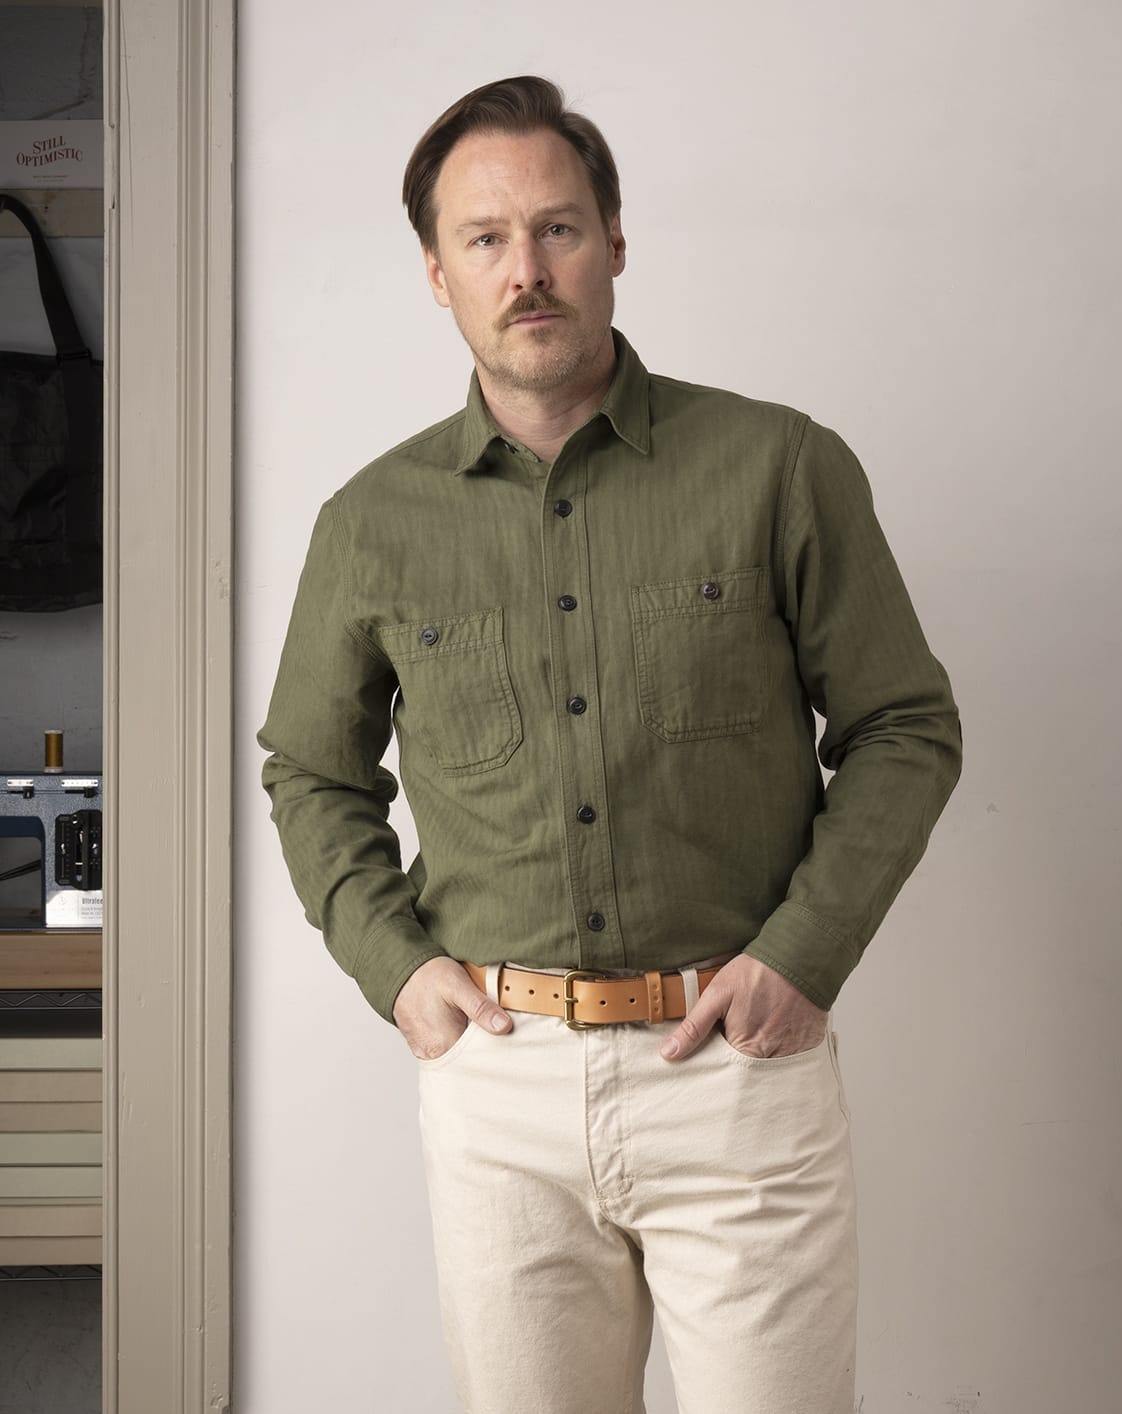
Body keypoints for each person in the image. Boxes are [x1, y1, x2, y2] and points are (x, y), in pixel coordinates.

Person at [258, 74, 962, 1414]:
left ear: (616, 242)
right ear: (437, 274)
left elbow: (903, 724)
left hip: (737, 1078)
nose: (525, 269)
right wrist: (396, 969)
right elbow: (312, 770)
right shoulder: (370, 523)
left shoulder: (778, 466)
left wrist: (803, 955)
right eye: (485, 238)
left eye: (558, 228)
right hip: (500, 1092)